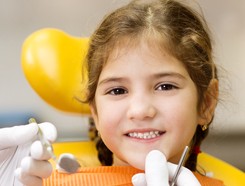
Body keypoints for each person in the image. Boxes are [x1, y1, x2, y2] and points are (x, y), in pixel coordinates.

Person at [3, 0, 224, 185]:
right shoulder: (40, 181)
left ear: (206, 103)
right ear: (95, 112)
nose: (140, 110)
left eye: (165, 86)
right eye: (118, 90)